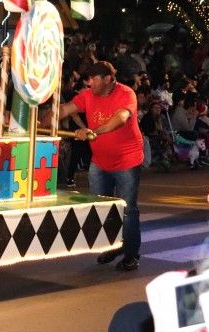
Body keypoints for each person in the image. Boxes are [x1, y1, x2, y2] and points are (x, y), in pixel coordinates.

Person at [55, 61, 144, 272]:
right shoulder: (88, 95)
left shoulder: (126, 93)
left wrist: (94, 131)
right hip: (100, 161)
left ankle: (131, 253)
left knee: (128, 208)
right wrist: (44, 118)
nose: (89, 83)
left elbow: (121, 118)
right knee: (103, 207)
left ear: (107, 79)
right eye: (88, 79)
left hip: (127, 161)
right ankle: (113, 246)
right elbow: (67, 109)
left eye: (94, 79)